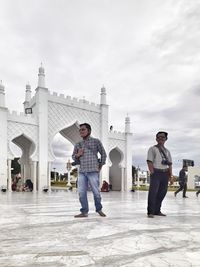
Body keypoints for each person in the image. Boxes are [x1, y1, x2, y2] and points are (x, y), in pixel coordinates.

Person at [72, 123, 107, 218]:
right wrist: (78, 155)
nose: (81, 132)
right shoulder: (78, 144)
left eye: (83, 129)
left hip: (93, 171)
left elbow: (103, 154)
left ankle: (99, 209)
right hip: (82, 172)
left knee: (96, 192)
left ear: (89, 131)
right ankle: (84, 211)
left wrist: (100, 166)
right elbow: (74, 158)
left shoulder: (96, 142)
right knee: (82, 192)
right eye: (80, 130)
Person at [146, 131, 173, 218]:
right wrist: (152, 172)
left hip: (165, 173)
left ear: (166, 139)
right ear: (156, 139)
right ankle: (150, 211)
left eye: (163, 137)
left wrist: (170, 175)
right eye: (159, 137)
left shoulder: (167, 151)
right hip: (156, 173)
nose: (160, 138)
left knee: (162, 193)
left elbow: (170, 164)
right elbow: (149, 161)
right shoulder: (153, 149)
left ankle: (157, 211)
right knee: (153, 193)